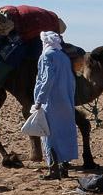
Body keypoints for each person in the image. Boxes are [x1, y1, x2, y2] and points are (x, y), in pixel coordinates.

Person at [32, 31, 78, 178]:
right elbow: (71, 80)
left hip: (51, 101)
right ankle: (64, 167)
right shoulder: (64, 57)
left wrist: (39, 101)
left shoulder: (46, 56)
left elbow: (46, 80)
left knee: (49, 134)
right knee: (64, 132)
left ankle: (53, 170)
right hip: (66, 100)